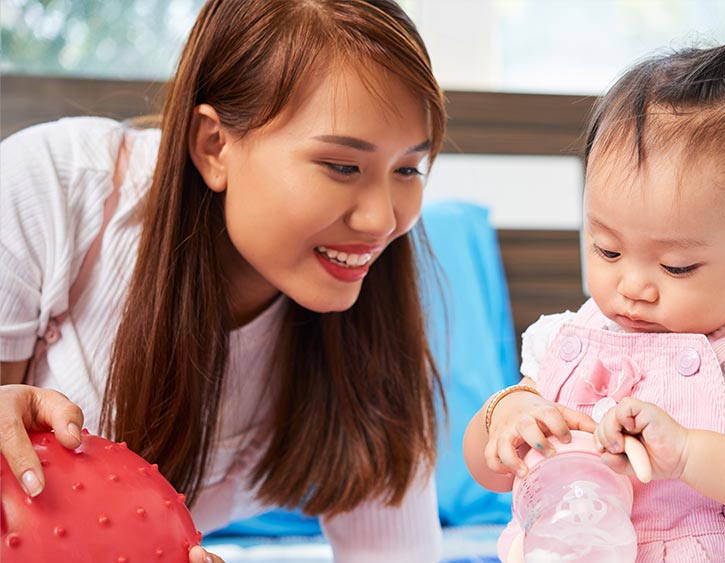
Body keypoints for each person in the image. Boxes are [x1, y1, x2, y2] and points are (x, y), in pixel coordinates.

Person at [0, 1, 447, 562]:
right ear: (214, 145)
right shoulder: (48, 189)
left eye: (408, 169)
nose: (383, 220)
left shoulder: (370, 328)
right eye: (342, 166)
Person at [463, 1, 725, 561]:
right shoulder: (568, 343)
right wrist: (505, 416)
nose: (634, 286)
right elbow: (488, 470)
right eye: (607, 248)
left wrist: (693, 454)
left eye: (676, 266)